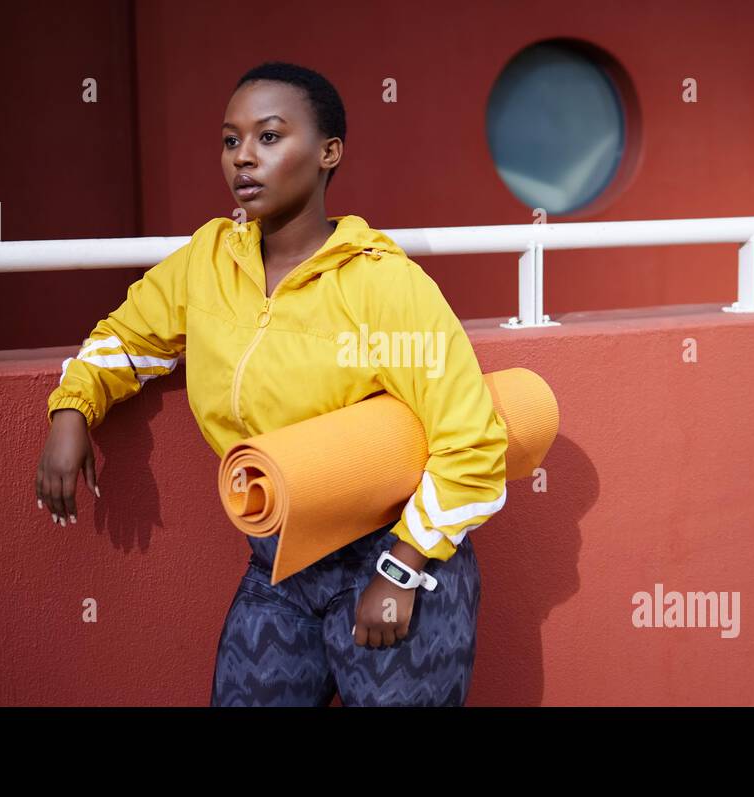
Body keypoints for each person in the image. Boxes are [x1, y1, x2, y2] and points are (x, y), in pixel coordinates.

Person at [35, 61, 508, 706]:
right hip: (278, 563)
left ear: (328, 153)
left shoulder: (382, 284)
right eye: (231, 141)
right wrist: (72, 412)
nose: (243, 159)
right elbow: (128, 337)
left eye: (269, 137)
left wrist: (401, 571)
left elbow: (472, 441)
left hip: (395, 556)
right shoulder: (209, 260)